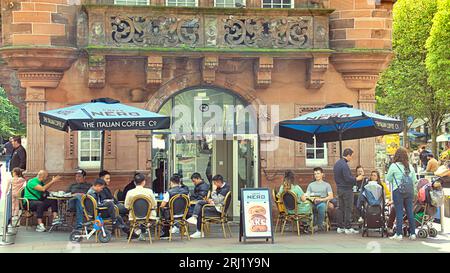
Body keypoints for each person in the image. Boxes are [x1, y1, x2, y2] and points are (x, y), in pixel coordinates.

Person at [386, 147, 418, 240]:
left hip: (398, 191)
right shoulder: (410, 166)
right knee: (409, 212)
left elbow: (388, 178)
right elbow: (414, 180)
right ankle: (413, 234)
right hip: (409, 191)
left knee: (399, 212)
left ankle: (399, 234)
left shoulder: (394, 166)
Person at [187, 174, 230, 239]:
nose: (214, 185)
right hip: (216, 205)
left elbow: (217, 200)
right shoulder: (222, 187)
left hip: (219, 210)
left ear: (218, 182)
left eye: (215, 183)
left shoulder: (224, 189)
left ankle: (199, 231)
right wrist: (211, 200)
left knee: (201, 210)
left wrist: (214, 191)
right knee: (200, 202)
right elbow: (217, 200)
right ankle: (194, 217)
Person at [333, 148, 363, 234]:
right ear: (348, 155)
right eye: (351, 156)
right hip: (347, 189)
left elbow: (337, 177)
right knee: (348, 208)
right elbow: (348, 178)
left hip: (339, 188)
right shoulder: (344, 165)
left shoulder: (337, 164)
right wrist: (357, 178)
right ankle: (348, 227)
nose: (351, 158)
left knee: (340, 208)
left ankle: (340, 227)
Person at [124, 173, 157, 241]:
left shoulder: (130, 192)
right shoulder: (149, 191)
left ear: (134, 182)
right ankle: (144, 229)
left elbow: (126, 206)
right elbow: (154, 204)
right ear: (144, 182)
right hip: (148, 216)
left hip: (134, 216)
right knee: (153, 214)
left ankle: (139, 230)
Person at [159, 174, 190, 239]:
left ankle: (166, 233)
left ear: (171, 182)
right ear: (179, 182)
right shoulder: (186, 192)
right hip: (183, 214)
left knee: (162, 209)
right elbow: (188, 203)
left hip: (171, 215)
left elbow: (162, 205)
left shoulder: (169, 192)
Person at [306, 167, 333, 232]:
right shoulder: (311, 185)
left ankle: (318, 225)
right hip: (312, 202)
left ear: (322, 174)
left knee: (322, 206)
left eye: (318, 173)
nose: (316, 175)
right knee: (306, 207)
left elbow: (331, 196)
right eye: (315, 174)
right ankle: (310, 225)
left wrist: (321, 200)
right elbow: (307, 195)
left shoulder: (327, 185)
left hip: (322, 202)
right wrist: (312, 198)